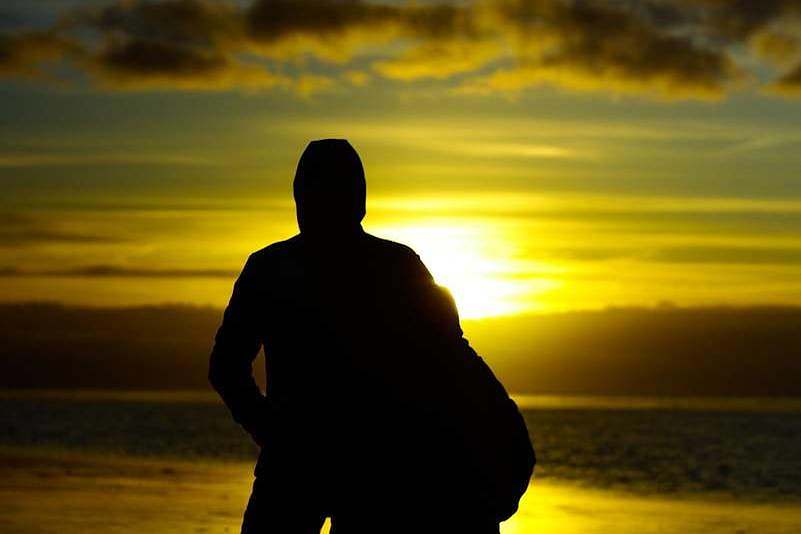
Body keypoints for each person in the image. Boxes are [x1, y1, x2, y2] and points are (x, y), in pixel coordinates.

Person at [209, 139, 534, 534]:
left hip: (358, 467)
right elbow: (227, 366)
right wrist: (268, 429)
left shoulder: (283, 267)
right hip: (331, 464)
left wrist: (270, 430)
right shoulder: (383, 265)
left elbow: (452, 359)